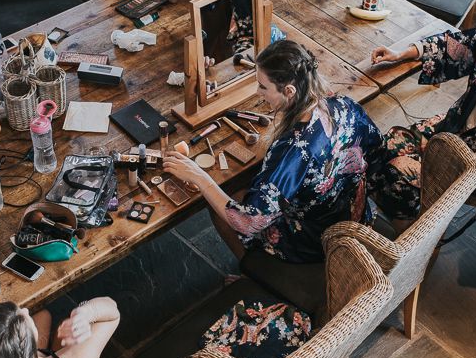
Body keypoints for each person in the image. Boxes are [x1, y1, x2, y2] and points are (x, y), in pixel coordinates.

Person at [163, 40, 383, 263]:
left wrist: (199, 177)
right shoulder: (342, 103)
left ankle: (252, 272)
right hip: (354, 212)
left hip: (318, 240)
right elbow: (375, 147)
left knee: (221, 205)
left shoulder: (294, 151)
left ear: (289, 91)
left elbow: (248, 221)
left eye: (263, 86)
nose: (258, 92)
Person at [369, 14, 476, 220]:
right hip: (453, 126)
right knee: (383, 147)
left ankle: (416, 239)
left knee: (398, 179)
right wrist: (400, 53)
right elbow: (452, 45)